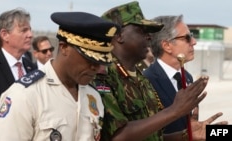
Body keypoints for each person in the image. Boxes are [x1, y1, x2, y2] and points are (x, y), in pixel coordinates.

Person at [91, 1, 228, 141]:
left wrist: (187, 136)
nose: (149, 37)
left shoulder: (141, 79)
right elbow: (116, 137)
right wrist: (174, 111)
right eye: (142, 31)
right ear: (119, 35)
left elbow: (154, 136)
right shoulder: (101, 76)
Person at [0, 11, 120, 141]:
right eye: (89, 59)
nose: (95, 68)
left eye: (99, 61)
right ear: (64, 47)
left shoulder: (93, 96)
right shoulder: (25, 96)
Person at [0, 8, 37, 141]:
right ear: (5, 35)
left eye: (30, 30)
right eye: (24, 30)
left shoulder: (33, 69)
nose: (30, 35)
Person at [143, 15, 197, 135]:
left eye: (192, 36)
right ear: (167, 46)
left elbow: (192, 129)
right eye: (187, 38)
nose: (194, 42)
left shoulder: (187, 77)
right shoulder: (147, 81)